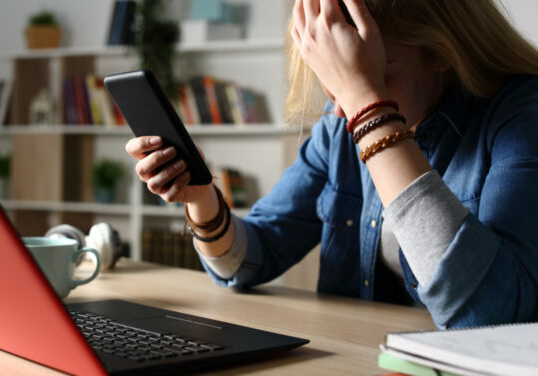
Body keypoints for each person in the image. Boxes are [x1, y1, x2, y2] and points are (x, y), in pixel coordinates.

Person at [125, 0, 538, 329]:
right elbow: (251, 259)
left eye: (373, 74)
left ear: (444, 51)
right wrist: (200, 199)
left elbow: (493, 317)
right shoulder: (338, 125)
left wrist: (371, 111)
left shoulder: (522, 115)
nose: (342, 109)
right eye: (333, 78)